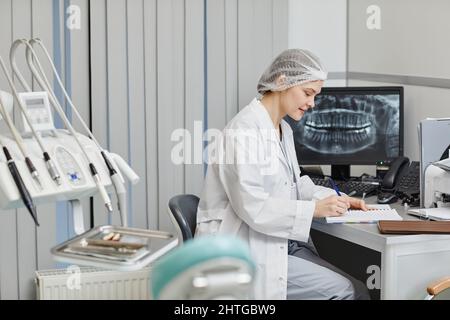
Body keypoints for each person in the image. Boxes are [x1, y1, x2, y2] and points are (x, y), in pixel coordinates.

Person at [195, 49, 370, 300]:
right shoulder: (244, 131)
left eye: (315, 95)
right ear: (281, 81)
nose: (312, 103)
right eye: (308, 93)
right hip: (244, 248)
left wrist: (336, 198)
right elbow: (253, 206)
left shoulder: (282, 129)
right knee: (347, 291)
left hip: (276, 242)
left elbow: (294, 184)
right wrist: (314, 210)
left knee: (360, 289)